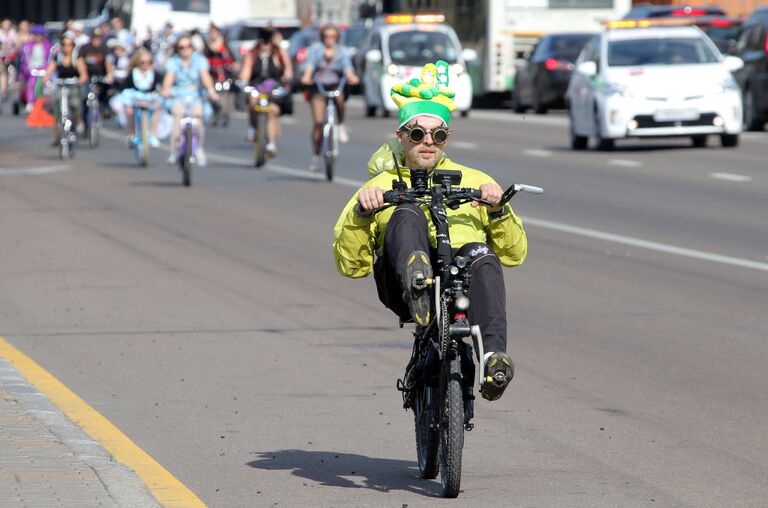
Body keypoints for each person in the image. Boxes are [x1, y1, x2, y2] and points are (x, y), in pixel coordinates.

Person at [332, 61, 527, 401]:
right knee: (406, 212)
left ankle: (494, 358)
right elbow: (351, 266)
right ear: (401, 136)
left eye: (437, 135)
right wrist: (364, 214)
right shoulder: (378, 186)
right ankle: (417, 280)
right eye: (417, 134)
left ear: (446, 138)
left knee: (482, 255)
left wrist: (498, 210)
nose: (428, 143)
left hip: (460, 279)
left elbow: (514, 254)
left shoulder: (476, 181)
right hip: (402, 291)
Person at [300, 24, 358, 172]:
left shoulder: (341, 51)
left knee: (339, 99)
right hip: (319, 87)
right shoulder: (316, 49)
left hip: (335, 85)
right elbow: (310, 66)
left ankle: (340, 125)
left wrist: (351, 77)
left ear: (337, 38)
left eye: (333, 37)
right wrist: (306, 77)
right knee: (319, 122)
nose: (329, 40)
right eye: (326, 36)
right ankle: (315, 157)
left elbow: (347, 67)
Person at [160, 34, 218, 166]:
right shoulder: (173, 62)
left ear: (192, 48)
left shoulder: (199, 60)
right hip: (178, 94)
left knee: (197, 116)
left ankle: (199, 148)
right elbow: (169, 79)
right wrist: (165, 90)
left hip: (195, 93)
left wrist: (211, 91)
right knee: (178, 115)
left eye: (188, 46)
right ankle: (174, 150)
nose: (185, 49)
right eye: (182, 47)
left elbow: (205, 77)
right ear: (178, 49)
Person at [239, 27, 291, 156]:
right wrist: (243, 82)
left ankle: (271, 144)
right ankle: (253, 128)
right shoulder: (252, 54)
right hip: (257, 86)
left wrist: (287, 79)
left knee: (272, 111)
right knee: (252, 100)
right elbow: (246, 71)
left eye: (267, 42)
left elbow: (288, 70)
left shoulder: (278, 53)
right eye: (262, 42)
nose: (264, 46)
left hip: (273, 87)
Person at [45, 33, 88, 145]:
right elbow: (50, 70)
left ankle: (79, 122)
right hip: (61, 84)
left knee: (75, 104)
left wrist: (80, 80)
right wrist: (46, 79)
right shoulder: (58, 56)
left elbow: (83, 74)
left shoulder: (76, 57)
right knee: (56, 106)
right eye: (64, 44)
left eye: (69, 44)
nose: (66, 47)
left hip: (73, 84)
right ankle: (56, 136)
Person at [116, 47, 162, 147]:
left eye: (149, 62)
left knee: (158, 106)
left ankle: (153, 134)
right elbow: (125, 89)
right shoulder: (132, 74)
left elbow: (159, 88)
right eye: (143, 62)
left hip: (149, 97)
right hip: (134, 96)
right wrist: (129, 103)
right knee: (129, 111)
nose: (146, 64)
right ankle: (131, 134)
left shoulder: (155, 74)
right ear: (137, 62)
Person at [19, 24, 51, 112]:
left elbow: (50, 59)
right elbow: (24, 59)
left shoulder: (47, 46)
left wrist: (46, 69)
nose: (38, 37)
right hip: (31, 69)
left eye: (40, 35)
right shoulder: (27, 46)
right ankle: (30, 102)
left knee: (47, 84)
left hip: (43, 69)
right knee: (31, 83)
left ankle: (46, 102)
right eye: (36, 35)